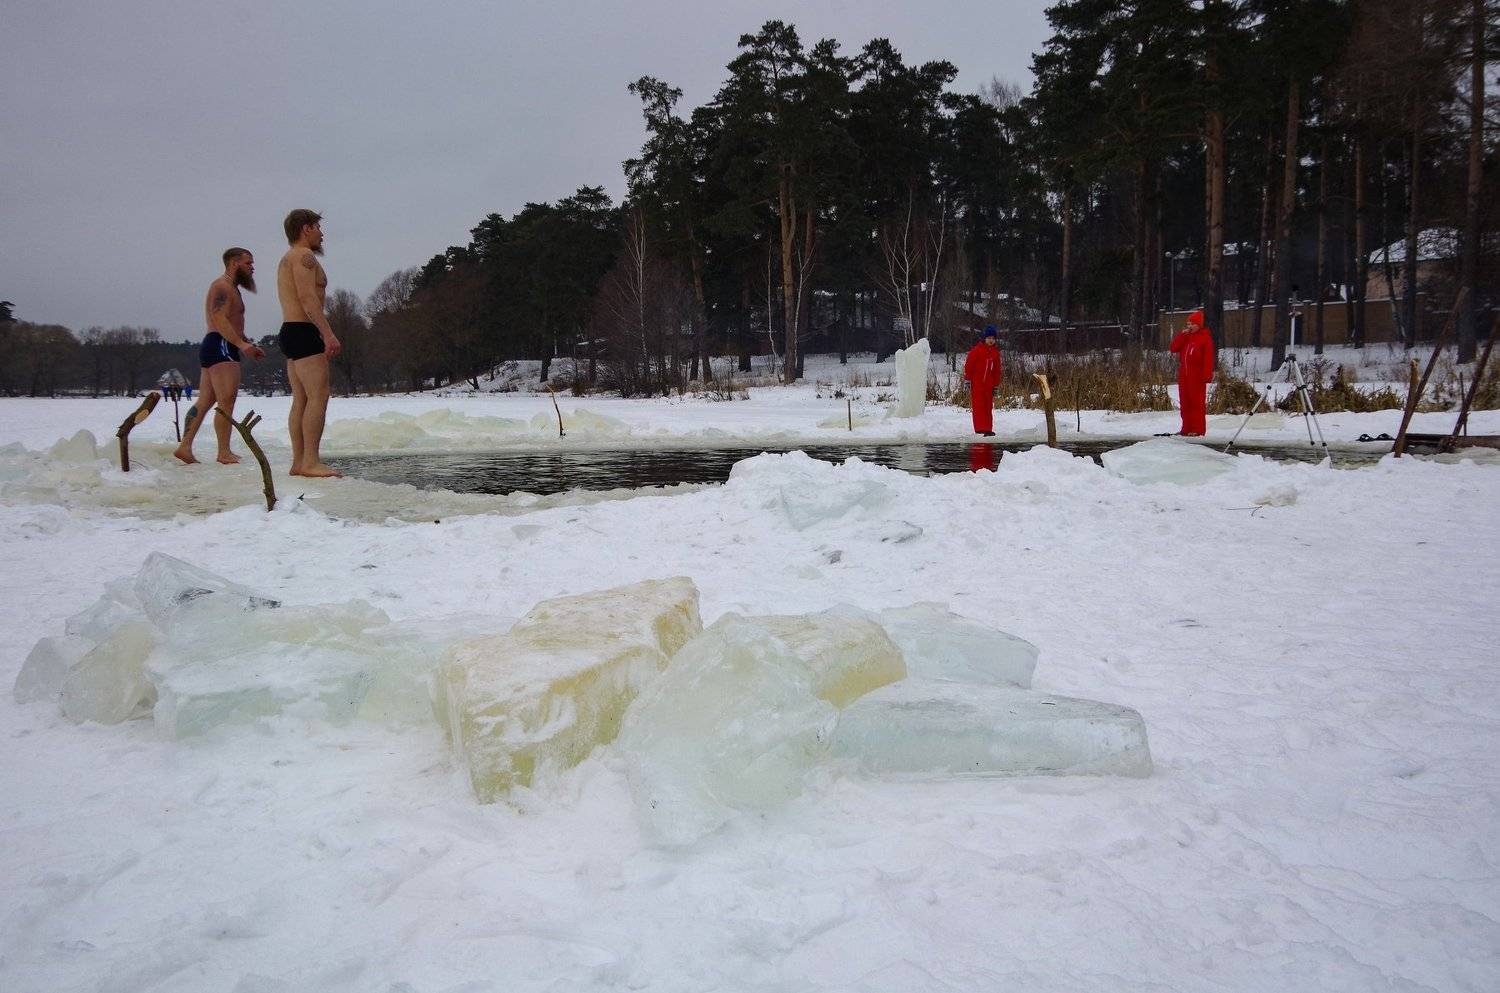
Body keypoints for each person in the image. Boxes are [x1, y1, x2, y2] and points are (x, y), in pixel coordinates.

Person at [174, 248, 266, 465]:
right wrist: (241, 344)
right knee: (227, 400)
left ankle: (185, 446)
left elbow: (232, 322)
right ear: (234, 263)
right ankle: (224, 451)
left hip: (216, 345)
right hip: (221, 346)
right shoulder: (222, 286)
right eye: (248, 263)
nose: (252, 268)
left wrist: (247, 342)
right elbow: (219, 318)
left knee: (206, 399)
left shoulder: (232, 288)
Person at [276, 209, 343, 477]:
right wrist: (328, 333)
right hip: (303, 331)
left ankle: (299, 461)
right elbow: (307, 298)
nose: (321, 234)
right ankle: (310, 461)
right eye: (317, 227)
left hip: (291, 331)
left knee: (302, 399)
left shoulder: (288, 257)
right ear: (306, 228)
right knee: (318, 395)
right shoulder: (304, 256)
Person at [1169, 309, 1216, 437]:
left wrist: (1207, 375)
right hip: (1184, 374)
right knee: (1185, 402)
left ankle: (1198, 429)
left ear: (1199, 325)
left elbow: (1208, 358)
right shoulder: (1187, 337)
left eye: (1192, 324)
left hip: (1197, 375)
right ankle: (1186, 428)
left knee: (1196, 403)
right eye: (1188, 324)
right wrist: (1182, 335)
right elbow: (1173, 348)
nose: (1190, 326)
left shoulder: (1205, 338)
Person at [962, 325, 1003, 437]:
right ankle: (980, 428)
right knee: (978, 406)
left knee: (988, 407)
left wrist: (995, 385)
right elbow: (969, 365)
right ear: (984, 338)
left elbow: (997, 371)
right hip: (977, 383)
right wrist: (967, 380)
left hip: (989, 384)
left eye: (993, 338)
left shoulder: (995, 353)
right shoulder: (977, 350)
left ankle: (988, 428)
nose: (991, 340)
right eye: (989, 338)